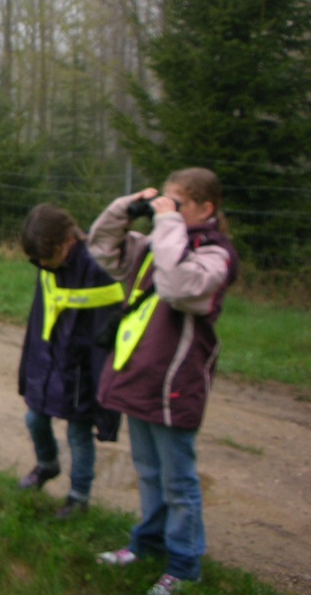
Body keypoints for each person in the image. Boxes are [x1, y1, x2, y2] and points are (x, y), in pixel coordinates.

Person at [88, 168, 239, 595]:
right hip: (140, 374)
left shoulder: (216, 255)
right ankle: (147, 544)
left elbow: (175, 286)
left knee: (178, 480)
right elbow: (101, 247)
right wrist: (126, 208)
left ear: (205, 209)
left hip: (176, 381)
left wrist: (167, 222)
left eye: (179, 203)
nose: (167, 211)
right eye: (165, 202)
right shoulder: (161, 242)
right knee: (149, 471)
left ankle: (185, 565)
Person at [16, 203, 124, 518]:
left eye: (47, 257)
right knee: (34, 418)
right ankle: (47, 465)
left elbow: (106, 332)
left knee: (78, 433)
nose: (43, 265)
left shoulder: (98, 266)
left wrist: (105, 389)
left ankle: (79, 497)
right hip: (48, 362)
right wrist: (29, 367)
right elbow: (38, 319)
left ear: (68, 242)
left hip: (81, 370)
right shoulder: (46, 266)